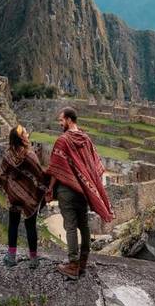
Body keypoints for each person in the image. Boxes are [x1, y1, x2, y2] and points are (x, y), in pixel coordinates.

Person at [47, 107, 114, 280]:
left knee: (70, 226)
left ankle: (72, 264)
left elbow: (55, 168)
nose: (60, 123)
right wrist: (86, 182)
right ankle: (83, 263)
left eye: (61, 120)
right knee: (83, 225)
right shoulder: (86, 140)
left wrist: (47, 186)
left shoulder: (63, 141)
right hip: (83, 191)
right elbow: (95, 166)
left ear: (69, 120)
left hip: (67, 191)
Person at [0, 124, 48, 269]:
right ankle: (33, 259)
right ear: (22, 138)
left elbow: (3, 175)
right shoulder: (30, 155)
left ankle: (11, 256)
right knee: (30, 226)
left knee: (13, 224)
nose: (27, 134)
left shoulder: (8, 156)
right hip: (29, 197)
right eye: (25, 133)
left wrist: (9, 187)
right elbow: (40, 176)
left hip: (13, 196)